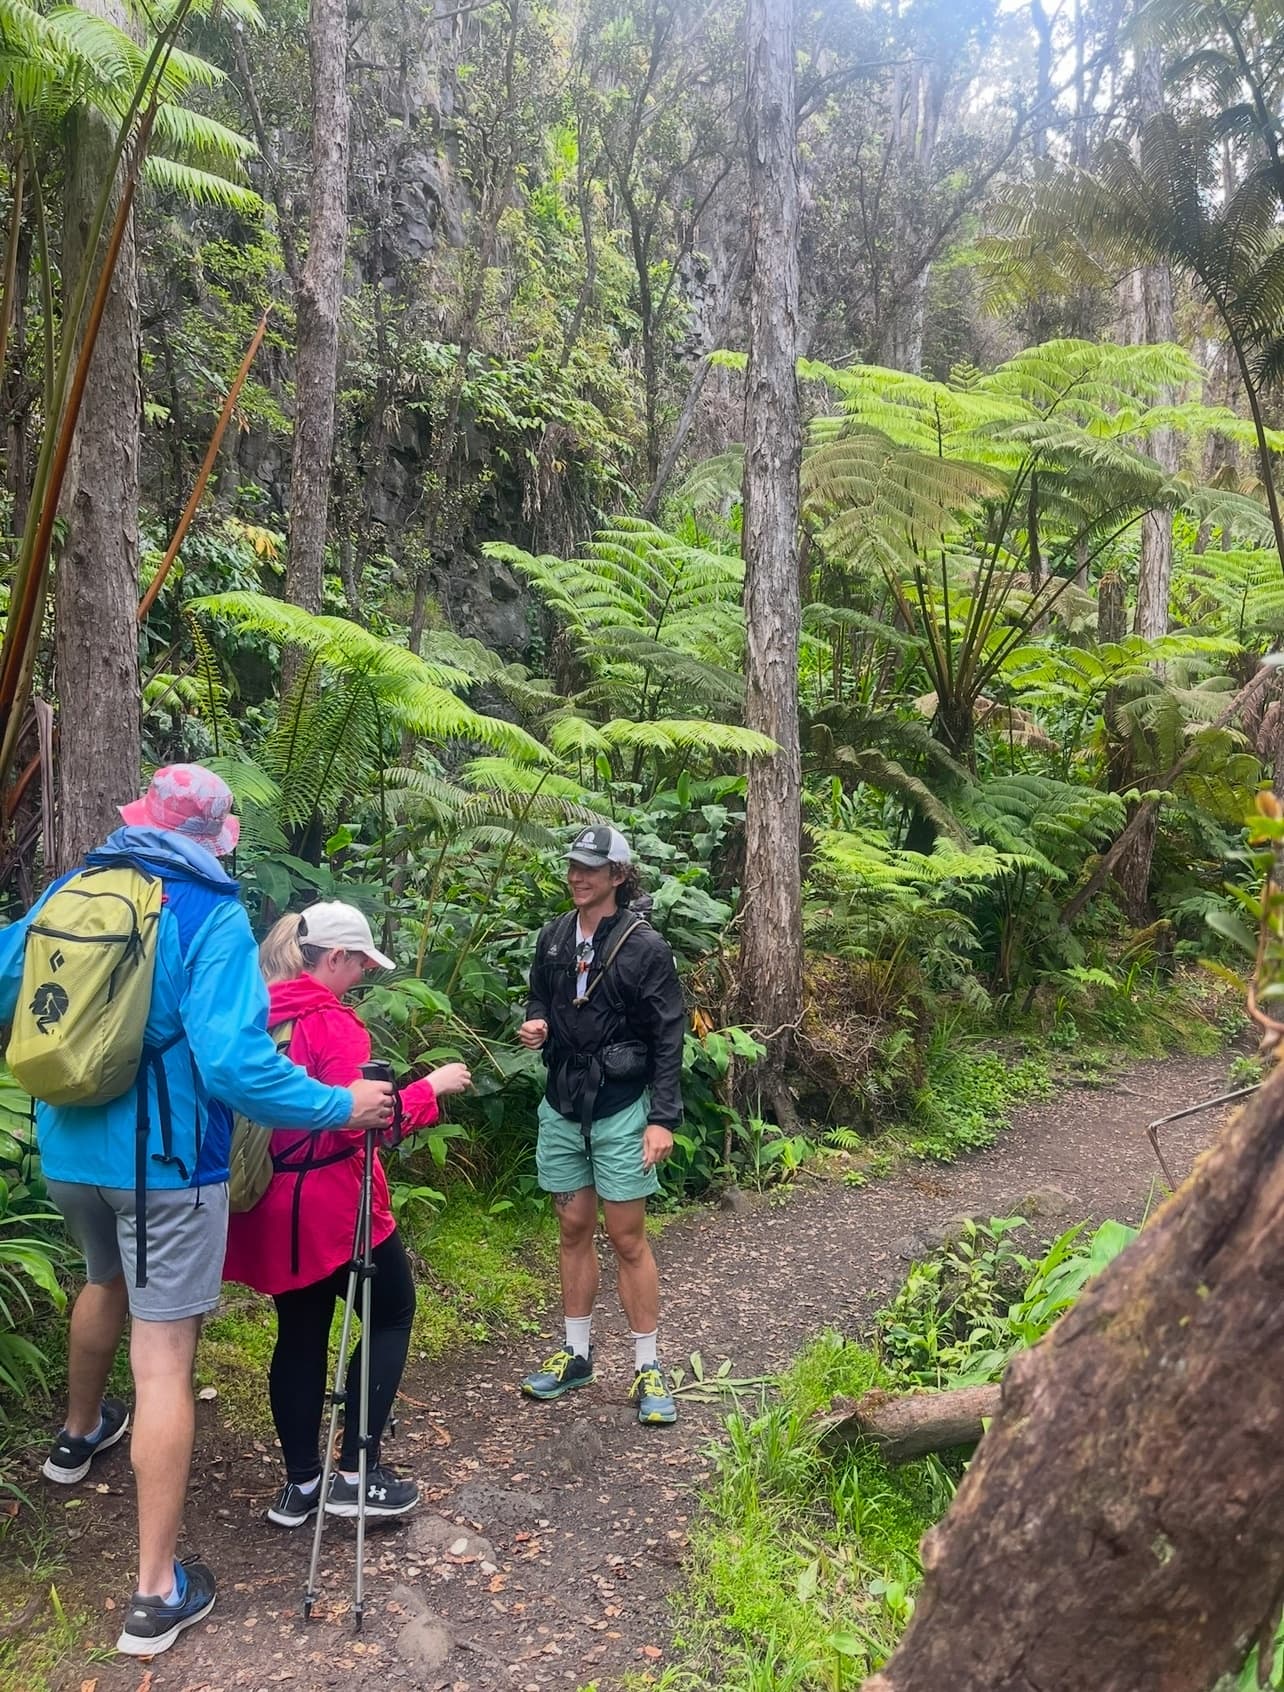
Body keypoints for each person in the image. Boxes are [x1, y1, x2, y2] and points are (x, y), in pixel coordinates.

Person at [0, 767, 394, 1658]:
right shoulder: (208, 912)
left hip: (67, 1154)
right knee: (167, 1356)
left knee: (102, 1279)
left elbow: (8, 991)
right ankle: (154, 1594)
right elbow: (233, 1067)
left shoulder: (78, 886)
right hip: (168, 1170)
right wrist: (341, 1106)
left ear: (143, 820)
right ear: (218, 838)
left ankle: (76, 1438)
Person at [224, 901, 471, 1528]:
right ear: (332, 957)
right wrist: (431, 1088)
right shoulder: (333, 1026)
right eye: (358, 961)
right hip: (333, 1206)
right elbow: (365, 1126)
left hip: (267, 1203)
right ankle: (358, 1474)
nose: (362, 973)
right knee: (391, 1313)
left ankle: (302, 1484)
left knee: (300, 1333)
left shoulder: (252, 1013)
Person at [517, 825, 685, 1426]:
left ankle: (647, 1365)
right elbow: (539, 997)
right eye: (573, 866)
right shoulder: (554, 937)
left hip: (620, 1106)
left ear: (618, 875)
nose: (577, 876)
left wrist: (662, 1119)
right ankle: (577, 1353)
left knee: (627, 1236)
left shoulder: (645, 948)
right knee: (572, 1227)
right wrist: (536, 1023)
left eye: (591, 867)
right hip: (562, 1103)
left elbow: (669, 1035)